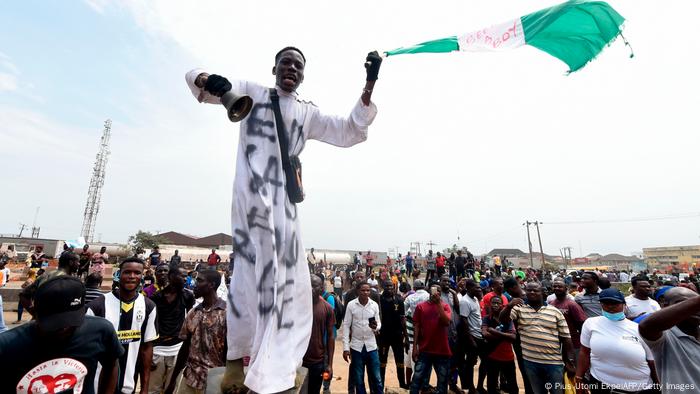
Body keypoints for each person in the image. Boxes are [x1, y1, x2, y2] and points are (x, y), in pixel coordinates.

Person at [188, 47, 381, 393]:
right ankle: (236, 362)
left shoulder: (308, 113)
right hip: (250, 200)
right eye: (286, 62)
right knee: (247, 279)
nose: (291, 68)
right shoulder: (251, 90)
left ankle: (280, 361)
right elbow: (196, 80)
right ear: (274, 68)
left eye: (298, 65)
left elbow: (350, 130)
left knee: (290, 285)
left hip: (285, 206)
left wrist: (370, 82)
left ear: (303, 75)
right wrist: (207, 80)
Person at [0, 276, 123, 393]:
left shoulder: (100, 330)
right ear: (34, 312)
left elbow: (111, 364)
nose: (64, 327)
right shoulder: (7, 344)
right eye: (55, 322)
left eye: (71, 320)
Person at [87, 257, 158, 394]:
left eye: (137, 273)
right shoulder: (97, 306)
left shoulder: (149, 307)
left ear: (142, 276)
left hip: (128, 385)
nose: (132, 276)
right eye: (127, 272)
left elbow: (146, 348)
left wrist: (144, 388)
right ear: (119, 274)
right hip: (97, 385)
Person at [575, 288, 657, 393]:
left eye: (615, 303)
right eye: (606, 303)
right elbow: (584, 352)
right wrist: (579, 378)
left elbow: (652, 361)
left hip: (639, 389)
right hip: (601, 386)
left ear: (624, 304)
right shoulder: (591, 323)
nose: (610, 307)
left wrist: (659, 386)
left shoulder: (638, 329)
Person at [500, 282, 574, 394]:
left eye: (535, 290)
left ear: (543, 293)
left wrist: (570, 361)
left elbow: (566, 338)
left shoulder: (555, 312)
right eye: (529, 290)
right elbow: (503, 320)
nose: (532, 292)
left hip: (554, 362)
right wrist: (509, 306)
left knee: (557, 391)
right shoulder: (518, 309)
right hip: (531, 361)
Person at [165, 269, 227, 394]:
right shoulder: (193, 313)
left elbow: (231, 350)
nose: (194, 284)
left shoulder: (227, 313)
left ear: (212, 285)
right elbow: (185, 347)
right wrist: (172, 381)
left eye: (199, 280)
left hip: (216, 380)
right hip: (191, 379)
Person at [638, 287, 700, 393]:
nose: (693, 308)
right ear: (665, 307)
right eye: (684, 303)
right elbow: (647, 327)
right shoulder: (664, 337)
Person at [149, 265, 195, 394]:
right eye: (182, 276)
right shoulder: (156, 298)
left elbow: (191, 320)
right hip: (157, 348)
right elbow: (151, 324)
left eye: (186, 276)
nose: (185, 279)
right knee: (153, 388)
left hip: (177, 348)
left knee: (172, 387)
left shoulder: (188, 296)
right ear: (171, 277)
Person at [411, 284, 452, 394]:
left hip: (442, 350)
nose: (436, 292)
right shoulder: (421, 307)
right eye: (434, 290)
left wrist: (438, 304)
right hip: (425, 350)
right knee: (416, 380)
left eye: (439, 290)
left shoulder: (445, 306)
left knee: (442, 382)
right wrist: (415, 347)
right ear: (429, 291)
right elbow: (416, 327)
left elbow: (446, 322)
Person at [342, 281, 382, 394]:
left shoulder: (374, 305)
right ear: (357, 291)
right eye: (363, 290)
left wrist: (376, 327)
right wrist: (345, 348)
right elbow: (346, 326)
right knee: (359, 379)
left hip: (371, 346)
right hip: (356, 347)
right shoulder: (351, 305)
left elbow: (378, 323)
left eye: (368, 290)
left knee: (377, 378)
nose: (365, 292)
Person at [301, 275, 335, 394]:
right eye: (308, 285)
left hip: (317, 361)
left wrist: (329, 365)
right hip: (298, 360)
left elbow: (331, 336)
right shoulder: (296, 306)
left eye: (314, 286)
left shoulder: (328, 308)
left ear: (321, 289)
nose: (310, 289)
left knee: (314, 391)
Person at [20, 251, 80, 317]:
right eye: (77, 262)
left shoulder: (45, 276)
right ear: (71, 262)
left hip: (42, 321)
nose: (79, 264)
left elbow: (23, 296)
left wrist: (35, 314)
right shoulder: (68, 280)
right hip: (57, 322)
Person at [481, 296, 518, 394]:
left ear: (502, 305)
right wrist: (505, 335)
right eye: (494, 303)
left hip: (507, 356)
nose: (496, 305)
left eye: (498, 303)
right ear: (490, 304)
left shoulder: (508, 319)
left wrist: (493, 331)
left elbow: (513, 337)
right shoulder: (486, 318)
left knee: (513, 385)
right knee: (492, 385)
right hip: (492, 356)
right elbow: (485, 334)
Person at [459, 279, 487, 393]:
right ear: (470, 288)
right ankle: (471, 387)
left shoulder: (475, 299)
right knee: (470, 363)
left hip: (480, 335)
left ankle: (480, 385)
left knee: (485, 361)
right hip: (472, 337)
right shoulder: (465, 301)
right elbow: (464, 321)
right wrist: (471, 340)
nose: (479, 289)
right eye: (477, 288)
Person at [378, 281, 408, 389]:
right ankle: (380, 385)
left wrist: (406, 337)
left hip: (397, 336)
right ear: (383, 287)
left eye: (391, 286)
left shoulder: (399, 300)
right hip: (383, 336)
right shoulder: (379, 300)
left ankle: (402, 384)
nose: (389, 288)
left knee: (400, 361)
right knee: (382, 361)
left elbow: (403, 319)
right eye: (387, 286)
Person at [548, 279, 586, 362]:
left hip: (573, 343)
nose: (557, 288)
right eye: (555, 286)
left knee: (574, 366)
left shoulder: (572, 304)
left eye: (560, 286)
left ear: (566, 289)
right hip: (556, 342)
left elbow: (581, 323)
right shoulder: (551, 304)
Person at [404, 279, 430, 386]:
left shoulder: (409, 298)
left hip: (410, 337)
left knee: (410, 363)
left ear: (414, 288)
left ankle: (409, 383)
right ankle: (420, 384)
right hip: (424, 335)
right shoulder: (428, 296)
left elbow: (404, 312)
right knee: (421, 363)